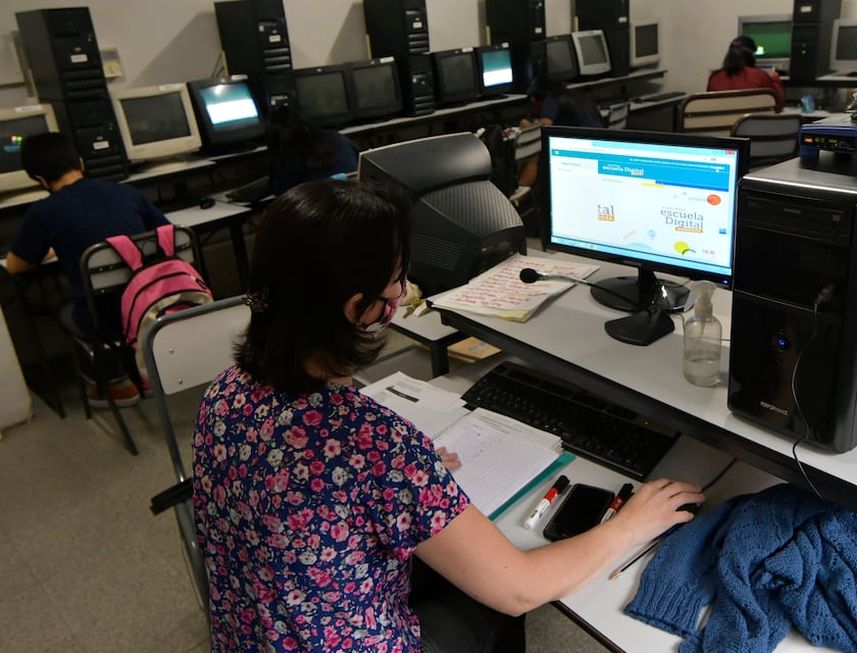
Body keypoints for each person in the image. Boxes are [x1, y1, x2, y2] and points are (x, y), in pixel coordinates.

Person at [192, 180, 704, 652]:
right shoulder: (371, 441)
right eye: (397, 280)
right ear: (356, 308)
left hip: (254, 637)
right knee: (494, 597)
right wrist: (631, 525)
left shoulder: (224, 394)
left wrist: (396, 483)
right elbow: (518, 588)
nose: (403, 290)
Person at [5, 132, 169, 406]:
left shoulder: (43, 213)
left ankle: (116, 385)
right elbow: (168, 233)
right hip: (150, 304)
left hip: (104, 321)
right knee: (118, 295)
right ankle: (145, 373)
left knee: (65, 308)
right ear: (80, 163)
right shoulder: (125, 192)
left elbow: (15, 265)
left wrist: (56, 246)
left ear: (40, 180)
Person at [518, 76, 604, 187]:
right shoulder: (576, 96)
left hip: (582, 151)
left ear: (534, 99)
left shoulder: (552, 99)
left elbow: (544, 126)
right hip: (599, 146)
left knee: (534, 154)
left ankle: (516, 198)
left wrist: (525, 124)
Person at [267, 107, 359, 196]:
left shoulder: (287, 158)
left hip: (319, 207)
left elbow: (283, 195)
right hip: (355, 200)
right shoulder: (339, 140)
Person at [706, 36, 786, 111]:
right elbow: (778, 106)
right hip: (752, 125)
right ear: (751, 55)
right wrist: (775, 80)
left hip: (722, 125)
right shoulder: (759, 75)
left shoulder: (714, 78)